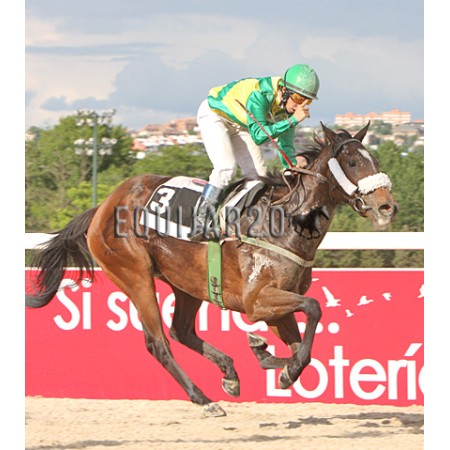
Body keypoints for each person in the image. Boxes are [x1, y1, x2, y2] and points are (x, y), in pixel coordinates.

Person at [190, 63, 320, 241]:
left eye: (307, 101)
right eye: (298, 98)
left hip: (241, 124)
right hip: (215, 114)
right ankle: (200, 222)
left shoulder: (288, 111)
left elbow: (286, 146)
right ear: (284, 90)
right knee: (226, 168)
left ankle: (233, 220)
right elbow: (259, 136)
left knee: (259, 177)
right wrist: (293, 121)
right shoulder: (260, 94)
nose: (300, 106)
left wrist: (291, 166)